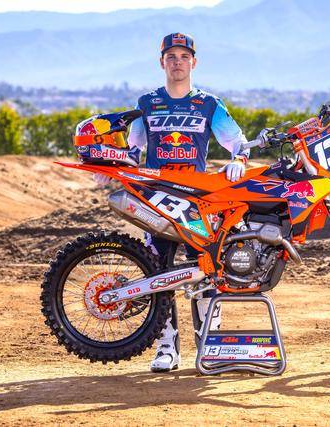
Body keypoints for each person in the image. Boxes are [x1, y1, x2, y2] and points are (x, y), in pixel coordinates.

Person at [96, 32, 250, 372]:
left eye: (183, 56)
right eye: (171, 56)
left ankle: (210, 346)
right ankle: (166, 347)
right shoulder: (147, 103)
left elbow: (238, 142)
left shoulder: (209, 104)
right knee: (158, 272)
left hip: (197, 202)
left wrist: (239, 160)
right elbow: (133, 150)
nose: (177, 62)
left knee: (205, 271)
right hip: (155, 199)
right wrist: (110, 168)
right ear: (161, 62)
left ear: (194, 62)